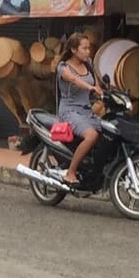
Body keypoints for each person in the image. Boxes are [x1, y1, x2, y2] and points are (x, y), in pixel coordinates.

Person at [55, 32, 103, 187]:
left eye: (89, 48)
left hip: (87, 111)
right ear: (74, 50)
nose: (88, 52)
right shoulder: (63, 68)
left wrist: (104, 93)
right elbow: (75, 80)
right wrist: (90, 87)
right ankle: (71, 172)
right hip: (69, 111)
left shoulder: (88, 63)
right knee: (91, 135)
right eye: (85, 48)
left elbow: (97, 85)